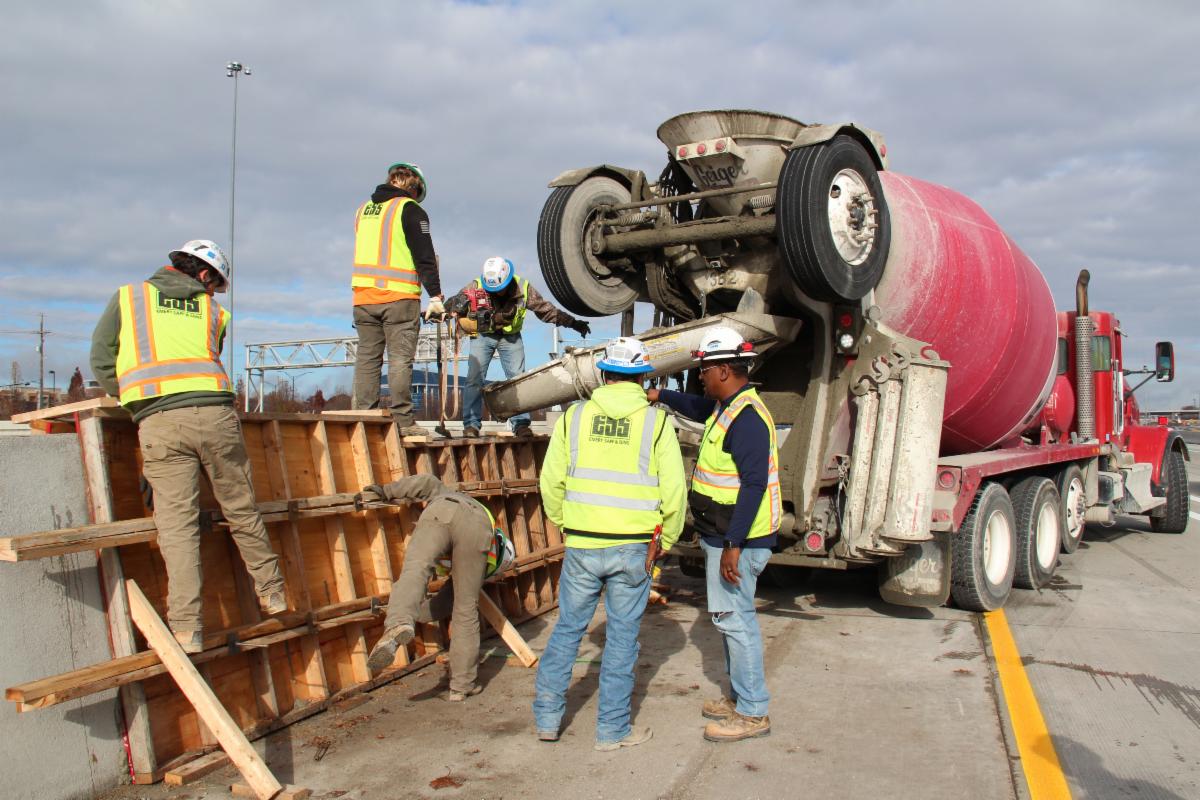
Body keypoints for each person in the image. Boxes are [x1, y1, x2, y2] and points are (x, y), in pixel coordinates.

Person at [90, 240, 287, 654]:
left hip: (158, 421)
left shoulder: (129, 298)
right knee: (240, 508)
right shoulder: (214, 311)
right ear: (202, 275)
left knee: (177, 529)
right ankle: (273, 593)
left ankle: (186, 629)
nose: (214, 292)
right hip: (216, 417)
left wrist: (133, 399)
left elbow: (102, 359)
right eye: (214, 284)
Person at [533, 337, 685, 750]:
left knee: (567, 630)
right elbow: (674, 491)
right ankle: (612, 731)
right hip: (635, 547)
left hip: (582, 542)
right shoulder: (656, 423)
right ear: (642, 377)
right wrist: (666, 539)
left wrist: (568, 523)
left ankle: (547, 720)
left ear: (603, 373)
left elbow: (551, 482)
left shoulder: (573, 418)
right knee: (622, 638)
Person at [647, 325, 780, 742]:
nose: (699, 377)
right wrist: (660, 396)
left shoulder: (748, 420)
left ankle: (754, 711)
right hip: (721, 537)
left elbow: (754, 486)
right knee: (728, 620)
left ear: (723, 370)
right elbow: (696, 407)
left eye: (704, 370)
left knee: (735, 621)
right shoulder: (727, 406)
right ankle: (742, 698)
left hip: (736, 541)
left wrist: (733, 546)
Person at [362, 474, 515, 701]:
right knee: (466, 610)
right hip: (476, 532)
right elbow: (449, 603)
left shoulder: (452, 495)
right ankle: (461, 687)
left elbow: (425, 482)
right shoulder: (486, 539)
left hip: (442, 511)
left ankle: (399, 621)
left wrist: (385, 491)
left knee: (415, 571)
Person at [446, 256, 590, 437]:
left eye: (499, 289)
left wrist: (573, 323)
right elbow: (455, 302)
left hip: (511, 338)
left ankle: (521, 424)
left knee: (517, 380)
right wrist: (444, 308)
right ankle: (471, 425)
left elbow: (545, 310)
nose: (496, 292)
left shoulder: (523, 288)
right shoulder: (476, 286)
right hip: (484, 336)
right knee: (474, 379)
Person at [351, 162, 445, 437]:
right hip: (399, 297)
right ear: (415, 188)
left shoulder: (363, 211)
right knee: (400, 360)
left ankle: (364, 418)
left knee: (367, 360)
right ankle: (403, 421)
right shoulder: (410, 210)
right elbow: (424, 255)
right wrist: (436, 295)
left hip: (363, 297)